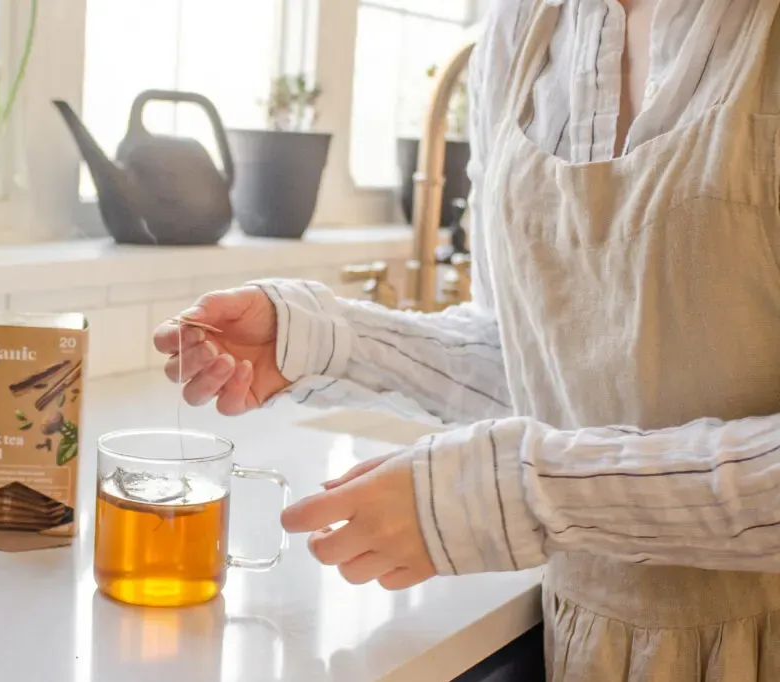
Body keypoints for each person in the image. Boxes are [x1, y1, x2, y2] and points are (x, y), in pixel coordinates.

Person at [153, 0, 780, 679]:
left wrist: (517, 494)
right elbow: (543, 370)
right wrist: (330, 341)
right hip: (590, 646)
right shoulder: (522, 30)